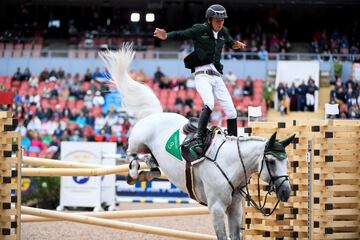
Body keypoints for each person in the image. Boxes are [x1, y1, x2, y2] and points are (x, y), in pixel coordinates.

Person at [154, 4, 245, 155]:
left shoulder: (224, 31)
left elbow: (230, 43)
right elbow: (183, 34)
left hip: (217, 76)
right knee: (209, 103)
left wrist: (237, 45)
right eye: (217, 20)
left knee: (231, 111)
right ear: (209, 20)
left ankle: (233, 141)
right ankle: (199, 137)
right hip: (202, 74)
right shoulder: (199, 29)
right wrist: (167, 36)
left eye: (222, 20)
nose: (220, 23)